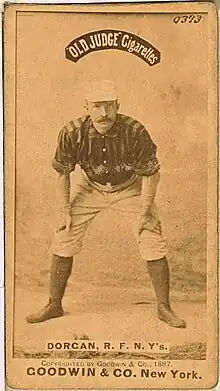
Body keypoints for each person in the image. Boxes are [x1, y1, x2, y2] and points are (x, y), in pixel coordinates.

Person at [26, 80, 186, 328]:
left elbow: (151, 173)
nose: (104, 113)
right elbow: (63, 173)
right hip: (90, 186)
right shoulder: (72, 132)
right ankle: (54, 304)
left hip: (130, 187)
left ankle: (164, 308)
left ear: (117, 106)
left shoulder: (134, 131)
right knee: (64, 235)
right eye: (97, 106)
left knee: (152, 238)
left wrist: (145, 211)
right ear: (87, 107)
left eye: (109, 106)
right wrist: (64, 210)